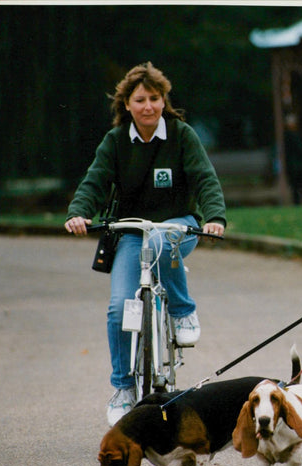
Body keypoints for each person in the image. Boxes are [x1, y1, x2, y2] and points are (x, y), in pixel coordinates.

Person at [65, 62, 226, 426]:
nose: (149, 106)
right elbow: (94, 181)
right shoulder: (116, 141)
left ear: (163, 100)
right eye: (140, 100)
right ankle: (123, 388)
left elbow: (205, 180)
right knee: (119, 309)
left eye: (155, 98)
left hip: (177, 227)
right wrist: (80, 212)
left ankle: (182, 310)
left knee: (162, 236)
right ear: (127, 104)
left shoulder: (182, 135)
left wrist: (215, 217)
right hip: (131, 232)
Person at [283, 112, 302, 205]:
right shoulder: (291, 136)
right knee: (300, 188)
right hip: (297, 167)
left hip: (298, 166)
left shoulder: (293, 135)